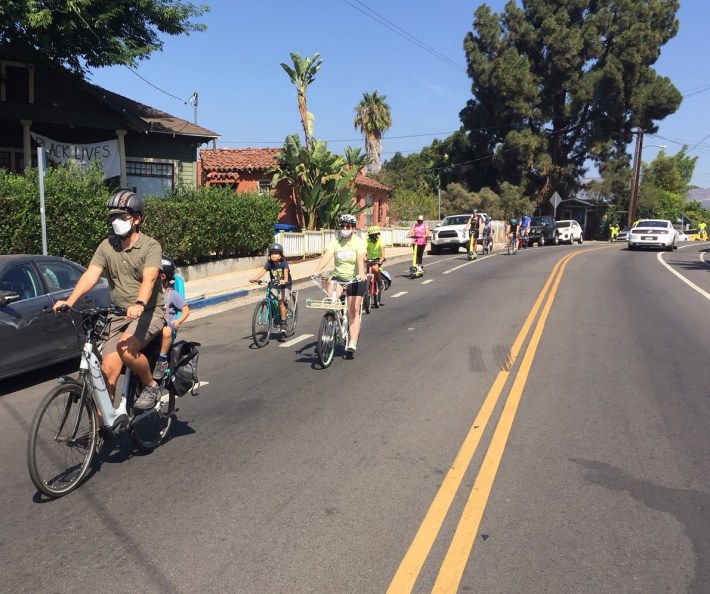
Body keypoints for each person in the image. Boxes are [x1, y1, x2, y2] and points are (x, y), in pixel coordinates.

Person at [53, 189, 165, 410]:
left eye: (122, 216)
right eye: (112, 217)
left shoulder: (151, 246)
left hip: (149, 312)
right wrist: (70, 301)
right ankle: (104, 429)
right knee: (106, 374)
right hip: (118, 314)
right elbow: (91, 275)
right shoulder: (107, 246)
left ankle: (151, 385)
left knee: (126, 349)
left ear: (137, 218)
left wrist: (140, 304)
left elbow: (150, 280)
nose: (116, 221)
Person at [311, 213, 366, 352]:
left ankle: (352, 341)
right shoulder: (336, 241)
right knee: (332, 299)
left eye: (348, 226)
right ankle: (336, 319)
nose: (345, 228)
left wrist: (361, 273)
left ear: (353, 228)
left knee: (353, 310)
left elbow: (360, 258)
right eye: (342, 226)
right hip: (339, 278)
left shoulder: (359, 242)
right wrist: (316, 271)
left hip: (355, 280)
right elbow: (327, 256)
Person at [153, 256, 190, 380]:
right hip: (153, 323)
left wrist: (178, 321)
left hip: (167, 324)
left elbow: (185, 310)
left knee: (166, 331)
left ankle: (162, 360)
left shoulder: (171, 294)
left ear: (162, 276)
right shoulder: (149, 292)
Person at [250, 243, 292, 335]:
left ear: (281, 254)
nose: (274, 255)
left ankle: (283, 323)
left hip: (284, 285)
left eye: (276, 253)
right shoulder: (269, 263)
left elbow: (285, 273)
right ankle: (276, 315)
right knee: (272, 300)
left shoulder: (284, 263)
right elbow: (262, 271)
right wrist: (255, 278)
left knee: (281, 302)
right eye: (272, 253)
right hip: (274, 284)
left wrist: (284, 280)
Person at [365, 225, 386, 308]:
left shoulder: (380, 241)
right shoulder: (367, 241)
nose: (375, 237)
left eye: (376, 235)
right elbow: (363, 249)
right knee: (368, 272)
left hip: (378, 259)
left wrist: (382, 257)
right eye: (373, 235)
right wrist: (363, 257)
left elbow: (382, 248)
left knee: (376, 268)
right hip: (369, 259)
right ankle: (367, 288)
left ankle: (380, 282)